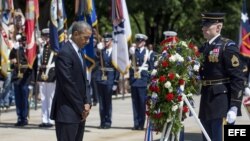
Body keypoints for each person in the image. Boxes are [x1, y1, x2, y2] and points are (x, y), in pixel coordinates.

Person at [198, 12, 246, 141]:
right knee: (207, 138)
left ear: (218, 27)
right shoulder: (204, 48)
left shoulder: (227, 46)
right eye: (203, 25)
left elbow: (238, 77)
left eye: (208, 25)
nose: (204, 28)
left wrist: (235, 106)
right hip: (206, 98)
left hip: (221, 101)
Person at [50, 21, 92, 141]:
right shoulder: (65, 53)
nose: (87, 41)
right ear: (76, 34)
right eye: (85, 38)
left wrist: (88, 102)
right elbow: (67, 84)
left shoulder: (79, 53)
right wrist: (81, 108)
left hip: (80, 112)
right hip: (67, 113)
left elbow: (85, 81)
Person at [9, 10, 33, 127]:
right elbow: (11, 57)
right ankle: (19, 117)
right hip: (16, 72)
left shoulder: (27, 34)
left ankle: (24, 117)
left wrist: (22, 43)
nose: (18, 22)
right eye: (16, 20)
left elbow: (30, 52)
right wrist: (14, 51)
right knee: (18, 96)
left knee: (24, 95)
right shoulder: (14, 36)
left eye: (19, 19)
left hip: (25, 71)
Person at [96, 32, 120, 129]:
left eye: (107, 41)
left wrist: (115, 81)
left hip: (110, 79)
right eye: (105, 41)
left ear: (111, 41)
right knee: (101, 103)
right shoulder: (101, 51)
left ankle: (108, 121)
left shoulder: (115, 52)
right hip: (101, 79)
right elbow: (95, 59)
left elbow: (117, 69)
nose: (106, 43)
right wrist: (97, 49)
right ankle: (102, 121)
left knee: (108, 102)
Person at [129, 33, 150, 130]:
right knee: (135, 104)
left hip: (143, 81)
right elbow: (130, 67)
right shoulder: (133, 52)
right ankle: (136, 123)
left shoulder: (147, 52)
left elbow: (151, 68)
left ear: (144, 42)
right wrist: (130, 53)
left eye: (140, 41)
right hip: (134, 80)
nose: (138, 43)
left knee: (142, 103)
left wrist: (150, 82)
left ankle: (141, 123)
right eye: (137, 41)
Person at [36, 28, 56, 128]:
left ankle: (51, 120)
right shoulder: (42, 46)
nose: (45, 38)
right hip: (42, 73)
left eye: (47, 36)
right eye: (44, 36)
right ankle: (44, 119)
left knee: (51, 98)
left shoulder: (54, 46)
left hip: (51, 73)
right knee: (43, 98)